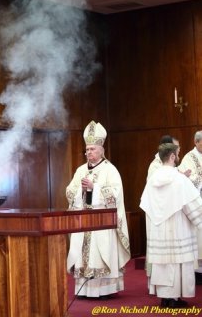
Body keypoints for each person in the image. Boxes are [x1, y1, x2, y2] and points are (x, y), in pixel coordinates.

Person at [66, 120, 130, 298]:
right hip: (84, 221)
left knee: (99, 253)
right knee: (83, 253)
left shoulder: (111, 170)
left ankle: (105, 290)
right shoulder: (80, 170)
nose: (88, 153)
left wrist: (95, 188)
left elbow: (116, 195)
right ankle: (84, 290)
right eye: (87, 149)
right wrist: (81, 190)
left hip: (101, 223)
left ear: (101, 149)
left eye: (92, 149)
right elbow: (70, 192)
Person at [140, 143, 202, 308]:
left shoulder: (152, 179)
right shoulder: (179, 178)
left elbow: (145, 204)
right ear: (173, 156)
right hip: (178, 229)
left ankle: (165, 297)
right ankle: (174, 298)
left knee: (163, 265)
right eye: (178, 153)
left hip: (159, 232)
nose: (179, 156)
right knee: (177, 263)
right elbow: (193, 206)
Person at [178, 131, 202, 278]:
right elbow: (184, 178)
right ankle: (198, 271)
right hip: (197, 202)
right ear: (196, 142)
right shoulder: (189, 158)